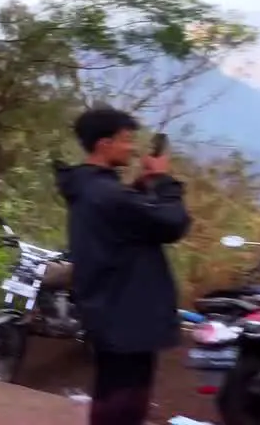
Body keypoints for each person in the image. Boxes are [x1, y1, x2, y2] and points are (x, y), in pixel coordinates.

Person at [57, 106, 190, 425]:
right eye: (127, 140)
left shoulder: (89, 188)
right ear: (105, 144)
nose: (132, 148)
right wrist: (161, 179)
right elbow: (173, 223)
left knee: (111, 392)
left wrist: (141, 188)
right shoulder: (106, 193)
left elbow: (124, 222)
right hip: (128, 313)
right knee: (125, 400)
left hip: (110, 308)